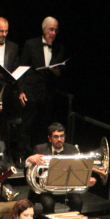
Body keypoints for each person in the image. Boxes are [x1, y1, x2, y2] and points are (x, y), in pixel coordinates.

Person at [16, 17, 66, 157]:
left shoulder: (59, 48)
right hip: (31, 92)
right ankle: (22, 155)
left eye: (56, 30)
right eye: (51, 29)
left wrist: (57, 71)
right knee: (26, 126)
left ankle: (41, 156)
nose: (53, 33)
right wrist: (21, 91)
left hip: (48, 94)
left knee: (44, 127)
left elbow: (59, 73)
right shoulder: (31, 44)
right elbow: (21, 69)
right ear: (44, 29)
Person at [26, 122, 95, 215]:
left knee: (78, 202)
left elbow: (78, 171)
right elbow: (28, 171)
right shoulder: (39, 149)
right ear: (49, 138)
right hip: (46, 191)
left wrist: (85, 179)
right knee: (48, 204)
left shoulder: (72, 150)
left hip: (66, 189)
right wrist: (29, 160)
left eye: (62, 136)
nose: (59, 139)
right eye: (56, 136)